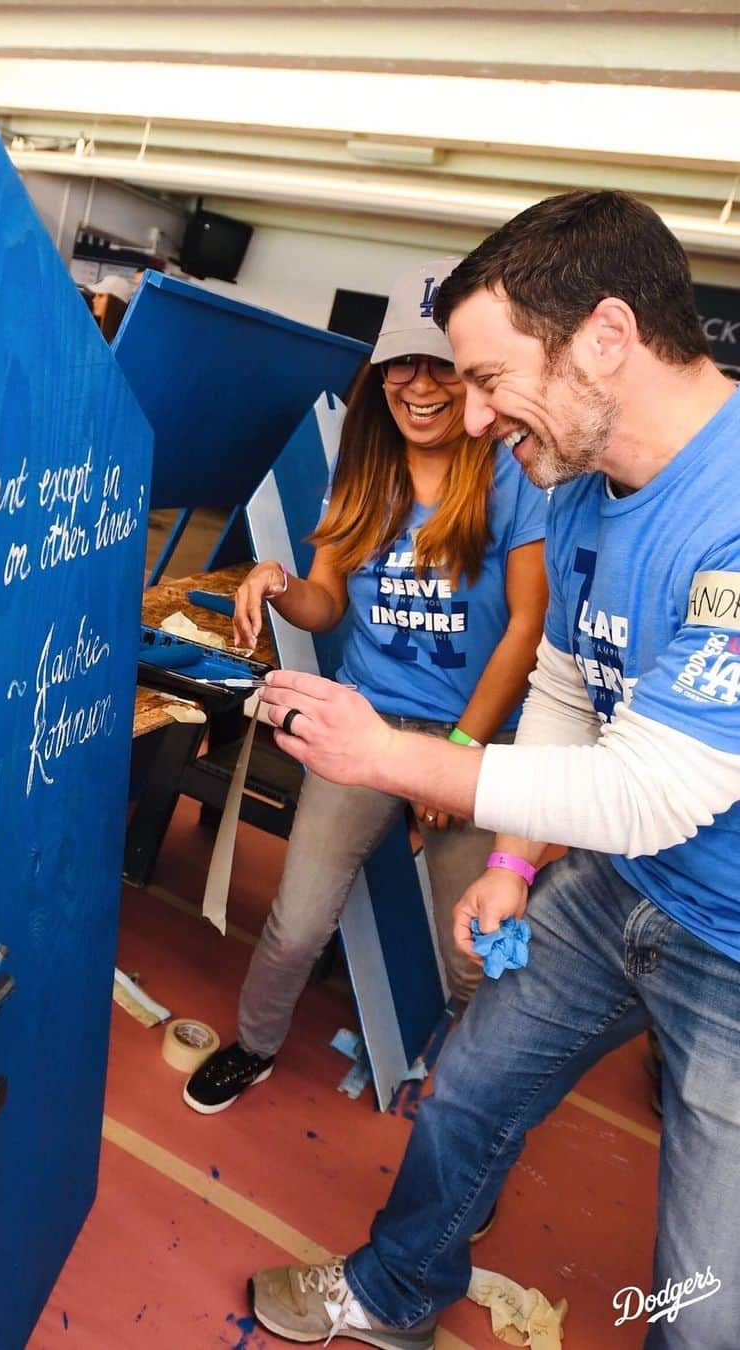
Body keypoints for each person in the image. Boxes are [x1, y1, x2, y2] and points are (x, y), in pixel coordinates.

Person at [250, 191, 740, 1349]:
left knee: (706, 1298)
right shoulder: (578, 492)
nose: (469, 417)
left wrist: (400, 756)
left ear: (606, 338)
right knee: (465, 1093)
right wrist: (518, 863)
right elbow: (572, 686)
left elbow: (659, 784)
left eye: (485, 377)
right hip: (626, 886)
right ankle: (395, 1290)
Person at [183, 258, 548, 1118]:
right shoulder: (365, 469)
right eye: (400, 364)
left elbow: (528, 632)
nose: (418, 384)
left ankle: (462, 1111)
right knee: (298, 920)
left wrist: (453, 761)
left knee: (474, 953)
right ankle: (257, 1045)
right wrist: (276, 583)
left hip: (472, 736)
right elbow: (326, 601)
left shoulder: (511, 477)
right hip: (363, 720)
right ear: (378, 372)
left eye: (440, 364)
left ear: (474, 374)